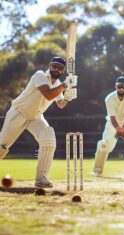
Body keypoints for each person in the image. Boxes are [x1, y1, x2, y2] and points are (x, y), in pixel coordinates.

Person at [0, 56, 78, 188]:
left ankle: (41, 179)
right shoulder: (40, 75)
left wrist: (68, 97)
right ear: (49, 65)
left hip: (36, 116)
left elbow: (60, 104)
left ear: (63, 71)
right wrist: (65, 85)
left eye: (60, 68)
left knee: (49, 140)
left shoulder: (58, 84)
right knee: (2, 146)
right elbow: (48, 94)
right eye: (54, 66)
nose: (57, 69)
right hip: (19, 112)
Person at [92, 76, 124, 178]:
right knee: (105, 145)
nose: (121, 89)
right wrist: (118, 129)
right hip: (112, 124)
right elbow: (112, 117)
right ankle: (97, 171)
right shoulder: (109, 98)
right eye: (119, 86)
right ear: (115, 86)